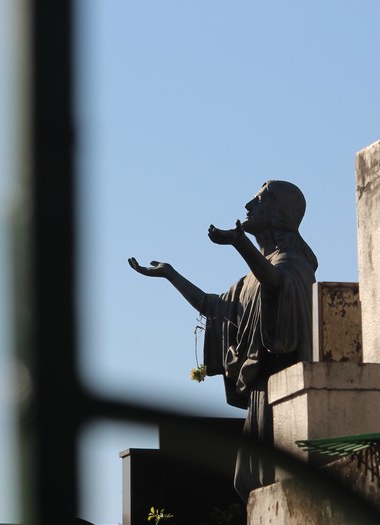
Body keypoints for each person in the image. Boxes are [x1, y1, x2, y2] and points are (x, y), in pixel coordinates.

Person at [128, 180, 318, 501]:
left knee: (277, 484)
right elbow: (212, 306)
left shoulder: (292, 264)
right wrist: (171, 274)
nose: (248, 205)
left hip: (283, 393)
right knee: (249, 482)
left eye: (259, 200)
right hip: (260, 396)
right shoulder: (248, 282)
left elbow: (277, 285)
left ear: (278, 212)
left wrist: (238, 243)